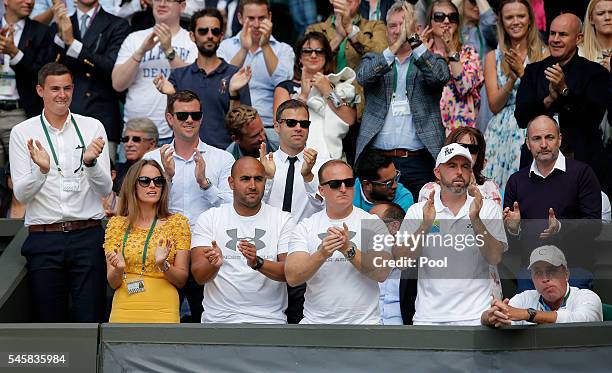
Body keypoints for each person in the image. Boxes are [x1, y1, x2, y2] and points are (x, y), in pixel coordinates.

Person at [9, 62, 111, 322]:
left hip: (87, 234)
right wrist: (41, 171)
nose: (61, 95)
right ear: (40, 90)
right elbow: (21, 194)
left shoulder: (92, 127)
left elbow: (105, 188)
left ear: (73, 89)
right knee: (49, 320)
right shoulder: (23, 132)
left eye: (67, 88)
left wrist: (89, 163)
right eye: (54, 89)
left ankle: (88, 365)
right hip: (44, 238)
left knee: (90, 318)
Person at [143, 90, 234, 322]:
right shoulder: (152, 159)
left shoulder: (222, 159)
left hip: (206, 252)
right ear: (169, 118)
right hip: (164, 253)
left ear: (202, 118)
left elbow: (233, 208)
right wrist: (168, 179)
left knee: (206, 320)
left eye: (195, 115)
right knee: (162, 320)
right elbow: (144, 207)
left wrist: (205, 183)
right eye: (182, 115)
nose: (190, 120)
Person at [398, 143, 507, 325]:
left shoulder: (486, 209)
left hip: (477, 317)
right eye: (451, 166)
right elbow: (402, 262)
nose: (459, 172)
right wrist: (425, 225)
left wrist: (476, 219)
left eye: (465, 166)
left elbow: (495, 258)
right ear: (437, 172)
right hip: (429, 318)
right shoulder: (418, 211)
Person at [356, 1, 449, 198]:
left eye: (404, 25)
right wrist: (396, 46)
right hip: (378, 160)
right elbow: (363, 77)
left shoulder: (430, 60)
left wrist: (413, 41)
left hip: (419, 160)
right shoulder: (373, 59)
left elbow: (439, 76)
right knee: (376, 222)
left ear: (416, 29)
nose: (399, 30)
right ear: (386, 29)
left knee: (421, 219)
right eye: (393, 25)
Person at [285, 159, 391, 324]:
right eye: (335, 184)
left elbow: (382, 272)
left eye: (348, 183)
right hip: (316, 324)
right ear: (321, 190)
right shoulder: (306, 226)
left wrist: (348, 249)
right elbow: (293, 277)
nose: (343, 189)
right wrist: (322, 253)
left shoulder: (372, 222)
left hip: (364, 324)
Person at [503, 115, 602, 290]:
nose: (543, 144)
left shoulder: (582, 174)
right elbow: (509, 245)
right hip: (531, 272)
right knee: (526, 316)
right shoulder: (516, 181)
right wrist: (513, 228)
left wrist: (561, 227)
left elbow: (595, 225)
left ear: (560, 139)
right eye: (536, 138)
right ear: (528, 143)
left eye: (549, 137)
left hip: (573, 270)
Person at [191, 157, 295, 323]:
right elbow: (199, 277)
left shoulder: (282, 219)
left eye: (258, 179)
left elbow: (291, 273)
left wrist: (257, 262)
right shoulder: (210, 218)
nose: (252, 186)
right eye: (245, 179)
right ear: (231, 183)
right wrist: (213, 264)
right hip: (219, 321)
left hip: (269, 321)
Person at [515, 13, 610, 192]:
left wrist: (564, 90)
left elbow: (592, 118)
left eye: (563, 34)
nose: (555, 39)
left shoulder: (595, 73)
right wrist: (548, 100)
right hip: (537, 163)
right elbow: (521, 117)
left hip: (583, 161)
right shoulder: (533, 71)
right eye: (552, 34)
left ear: (579, 39)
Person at [259, 98, 325, 323]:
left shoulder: (321, 163)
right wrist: (267, 179)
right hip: (267, 252)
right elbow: (253, 207)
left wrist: (309, 176)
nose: (298, 127)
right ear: (277, 126)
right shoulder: (263, 163)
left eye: (304, 124)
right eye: (291, 122)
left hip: (303, 256)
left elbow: (326, 208)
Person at [104, 159, 190, 323]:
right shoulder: (116, 225)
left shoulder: (178, 223)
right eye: (145, 181)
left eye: (158, 181)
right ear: (132, 185)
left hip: (163, 308)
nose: (153, 186)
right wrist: (119, 269)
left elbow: (181, 279)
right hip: (124, 307)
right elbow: (113, 282)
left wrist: (163, 264)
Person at [153, 8, 252, 149]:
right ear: (192, 36)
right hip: (187, 155)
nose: (210, 36)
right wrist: (171, 95)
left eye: (215, 31)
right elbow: (172, 122)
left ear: (222, 36)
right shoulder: (179, 75)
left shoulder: (235, 75)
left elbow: (241, 126)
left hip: (225, 154)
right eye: (203, 31)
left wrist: (233, 94)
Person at [51, 0, 131, 162]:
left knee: (102, 182)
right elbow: (50, 69)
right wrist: (61, 38)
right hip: (66, 117)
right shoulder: (60, 24)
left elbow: (110, 67)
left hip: (100, 116)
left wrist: (72, 43)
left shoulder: (117, 24)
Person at [112, 0, 198, 145]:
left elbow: (192, 86)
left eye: (169, 0)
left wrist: (169, 51)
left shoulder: (191, 41)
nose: (162, 4)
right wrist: (141, 52)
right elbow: (118, 84)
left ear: (182, 6)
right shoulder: (134, 39)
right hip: (134, 135)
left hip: (174, 134)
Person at [482, 0, 546, 191]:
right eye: (509, 17)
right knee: (497, 191)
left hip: (533, 126)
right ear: (501, 22)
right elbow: (494, 105)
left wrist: (522, 73)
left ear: (530, 20)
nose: (515, 21)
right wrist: (511, 79)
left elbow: (543, 98)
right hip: (500, 133)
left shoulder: (544, 53)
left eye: (521, 16)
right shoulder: (493, 57)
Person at [217, 0, 295, 143]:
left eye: (262, 18)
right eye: (251, 19)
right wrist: (243, 50)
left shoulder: (284, 49)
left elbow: (284, 83)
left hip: (270, 129)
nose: (257, 24)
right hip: (234, 128)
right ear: (240, 18)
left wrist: (265, 46)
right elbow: (220, 84)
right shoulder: (225, 47)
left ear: (270, 17)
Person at [273, 31, 357, 160]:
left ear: (327, 57)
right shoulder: (285, 87)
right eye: (307, 51)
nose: (313, 55)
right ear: (300, 58)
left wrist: (328, 91)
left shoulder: (340, 84)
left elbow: (349, 119)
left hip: (333, 160)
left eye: (319, 51)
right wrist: (303, 96)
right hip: (297, 158)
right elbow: (279, 126)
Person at [481, 245, 603, 326]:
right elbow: (506, 316)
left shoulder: (587, 296)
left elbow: (579, 320)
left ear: (566, 274)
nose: (545, 278)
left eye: (552, 271)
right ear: (532, 279)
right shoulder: (525, 298)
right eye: (538, 273)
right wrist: (491, 317)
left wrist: (528, 314)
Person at [0, 0, 53, 166]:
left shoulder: (42, 32)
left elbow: (44, 75)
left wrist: (15, 53)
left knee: (23, 174)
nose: (29, 1)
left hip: (21, 112)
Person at [424, 0, 483, 134]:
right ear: (430, 22)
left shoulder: (469, 53)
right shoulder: (423, 52)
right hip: (427, 133)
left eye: (452, 17)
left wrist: (451, 51)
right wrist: (421, 54)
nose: (446, 21)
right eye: (439, 16)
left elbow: (465, 88)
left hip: (460, 133)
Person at [419, 126, 502, 207]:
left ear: (479, 154)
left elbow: (494, 218)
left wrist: (474, 193)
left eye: (472, 149)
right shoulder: (430, 189)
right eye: (460, 147)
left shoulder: (490, 187)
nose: (466, 152)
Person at [461, 0, 497, 133]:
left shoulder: (485, 32)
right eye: (472, 2)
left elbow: (491, 23)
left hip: (484, 98)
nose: (477, 7)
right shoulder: (453, 29)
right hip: (460, 99)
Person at [370, 201, 405, 325]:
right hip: (367, 327)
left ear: (394, 226)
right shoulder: (362, 258)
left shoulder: (415, 260)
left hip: (404, 330)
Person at [114, 117, 159, 194]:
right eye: (126, 139)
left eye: (136, 139)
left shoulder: (161, 171)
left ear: (152, 144)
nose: (129, 144)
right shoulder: (116, 171)